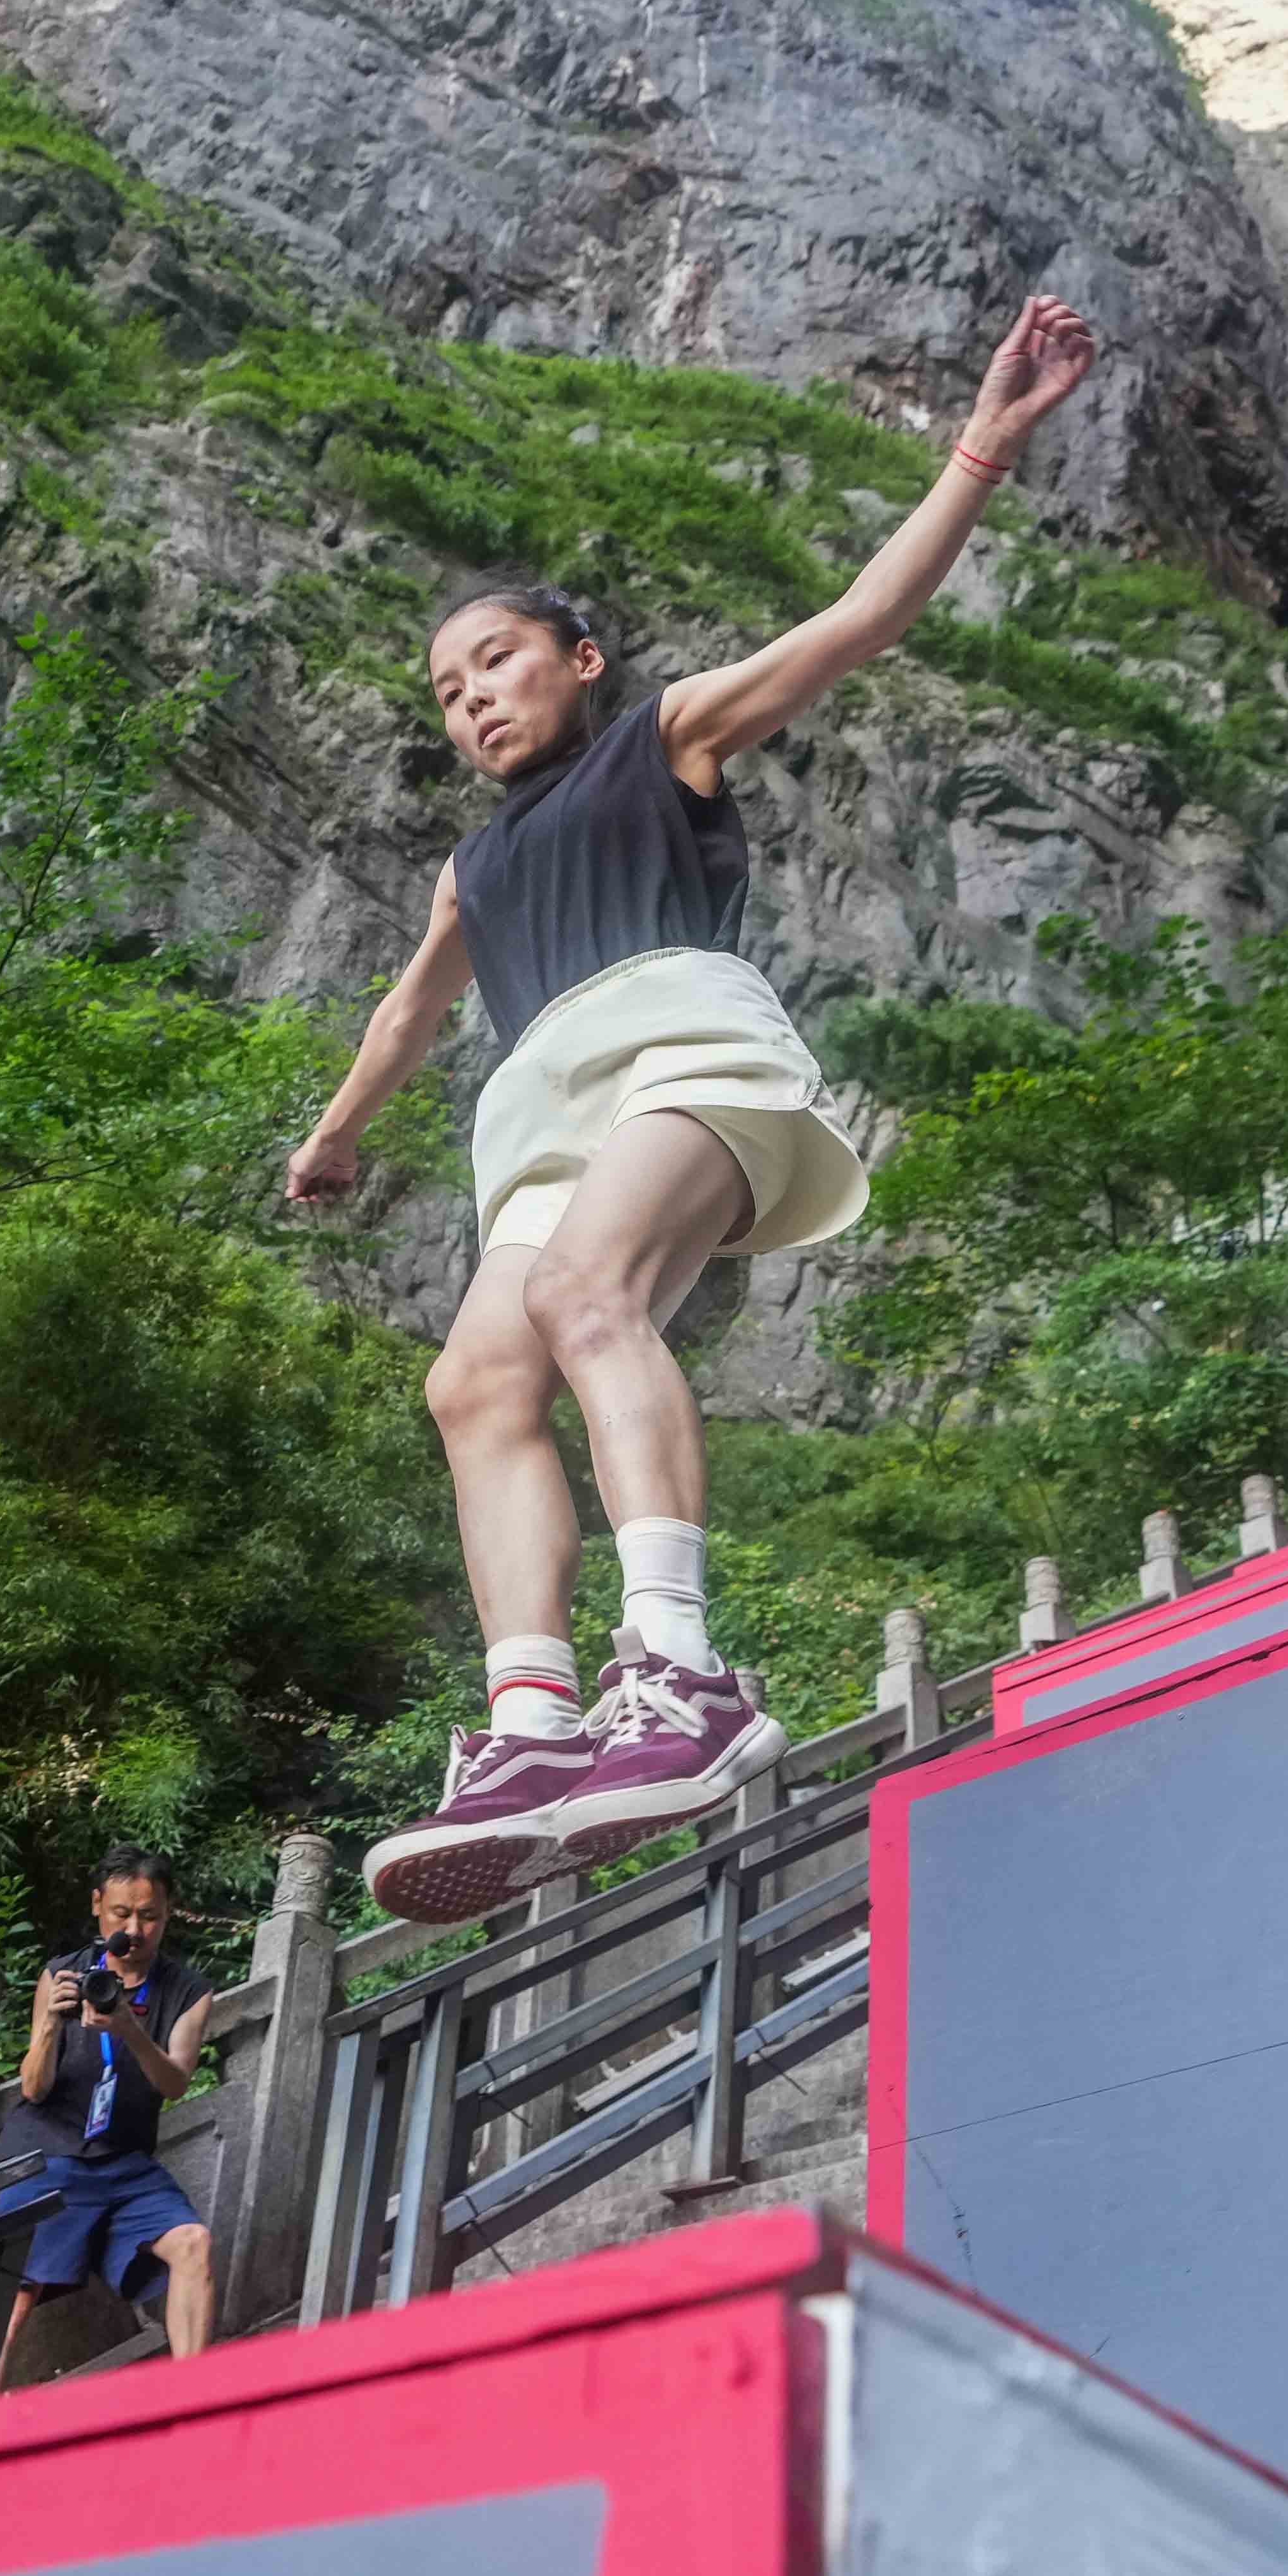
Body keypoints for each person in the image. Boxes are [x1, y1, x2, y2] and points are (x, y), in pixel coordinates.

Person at [284, 291, 1104, 1927]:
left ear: (577, 659)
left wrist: (978, 451)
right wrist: (338, 1128)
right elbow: (413, 1003)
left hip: (675, 1047)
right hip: (535, 1109)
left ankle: (681, 1669)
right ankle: (531, 1724)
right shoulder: (473, 859)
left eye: (497, 661)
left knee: (591, 1294)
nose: (473, 701)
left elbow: (853, 625)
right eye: (447, 693)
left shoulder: (660, 738)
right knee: (471, 1383)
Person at [1, 1848, 222, 2366]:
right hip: (49, 2154)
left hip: (125, 2163)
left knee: (194, 2243)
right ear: (99, 1906)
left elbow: (175, 2084)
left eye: (150, 1915)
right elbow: (33, 2089)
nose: (136, 1929)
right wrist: (52, 2025)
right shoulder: (62, 1974)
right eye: (123, 1913)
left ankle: (196, 2409)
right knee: (14, 2294)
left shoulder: (188, 1991)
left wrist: (130, 2029)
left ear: (168, 1913)